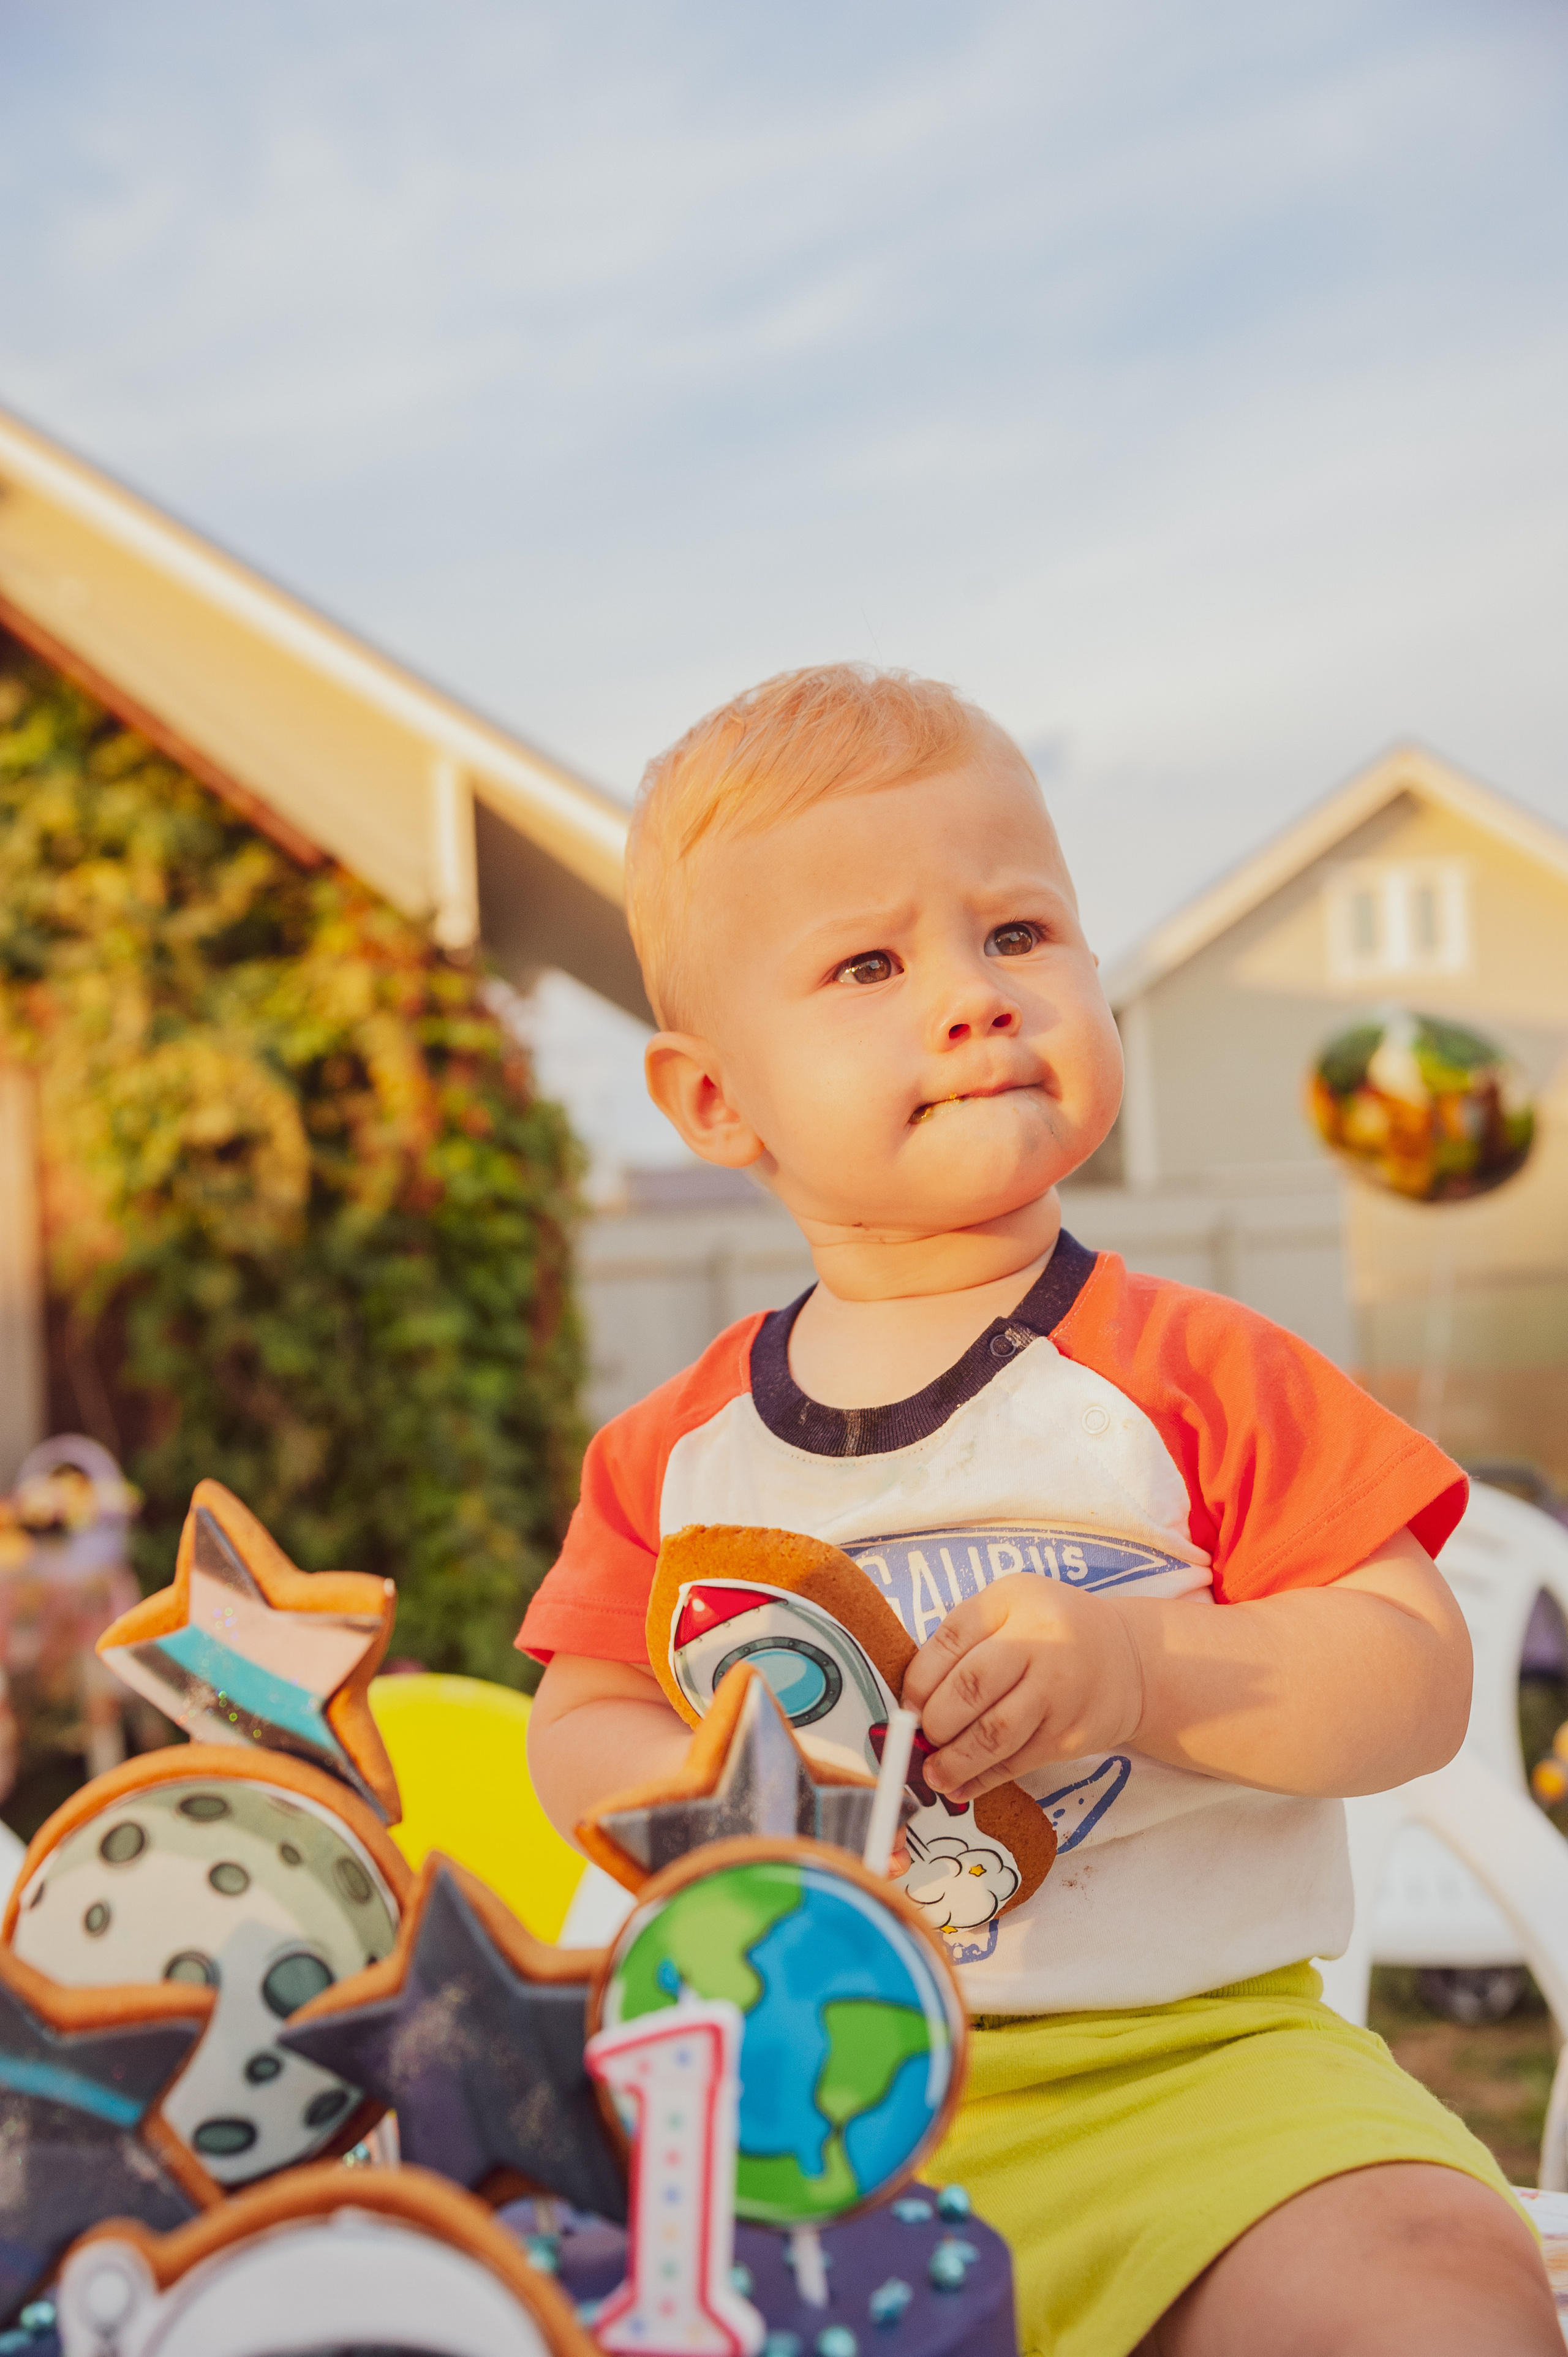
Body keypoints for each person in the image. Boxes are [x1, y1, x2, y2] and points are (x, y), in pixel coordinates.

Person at [521, 665, 1557, 2356]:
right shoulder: (672, 1452)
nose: (973, 997)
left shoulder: (1203, 1371)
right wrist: (705, 1793)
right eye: (871, 963)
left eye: (1017, 934)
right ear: (716, 1103)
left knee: (1439, 2290)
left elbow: (1414, 1675)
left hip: (1199, 2077)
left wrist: (1148, 1677)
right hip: (799, 2112)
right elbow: (579, 1712)